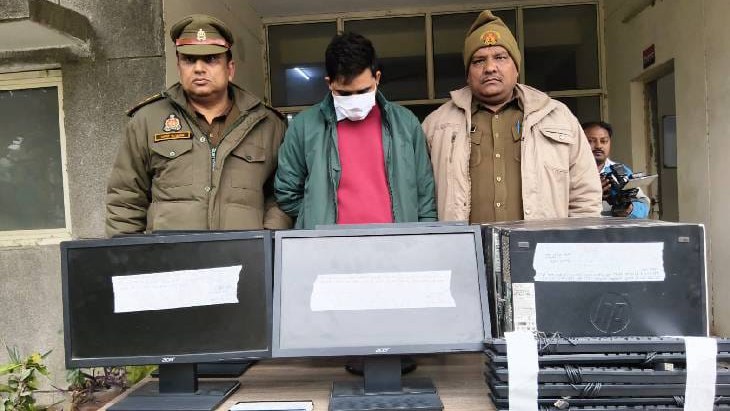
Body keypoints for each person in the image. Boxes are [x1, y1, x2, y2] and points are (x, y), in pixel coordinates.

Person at [106, 14, 290, 236]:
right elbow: (125, 198)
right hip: (170, 255)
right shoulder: (148, 120)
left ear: (230, 69)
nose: (199, 68)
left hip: (244, 253)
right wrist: (128, 254)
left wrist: (268, 238)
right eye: (189, 60)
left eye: (211, 59)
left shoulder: (268, 124)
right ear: (179, 66)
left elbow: (283, 194)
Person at [422, 10, 601, 224]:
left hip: (539, 244)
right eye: (478, 61)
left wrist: (575, 241)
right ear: (468, 74)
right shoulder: (437, 125)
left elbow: (585, 197)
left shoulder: (558, 117)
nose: (490, 68)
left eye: (500, 57)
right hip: (463, 245)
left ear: (516, 67)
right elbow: (422, 201)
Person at [274, 32, 437, 229]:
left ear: (377, 78)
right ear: (329, 83)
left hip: (397, 243)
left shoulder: (406, 124)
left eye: (363, 91)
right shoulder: (304, 127)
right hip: (328, 245)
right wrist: (316, 215)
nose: (354, 100)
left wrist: (423, 238)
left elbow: (425, 197)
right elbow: (286, 192)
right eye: (344, 93)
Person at [582, 121, 650, 218]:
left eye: (604, 141)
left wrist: (629, 209)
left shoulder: (621, 170)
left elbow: (644, 203)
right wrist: (593, 194)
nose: (598, 146)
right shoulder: (568, 172)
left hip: (615, 227)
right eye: (590, 141)